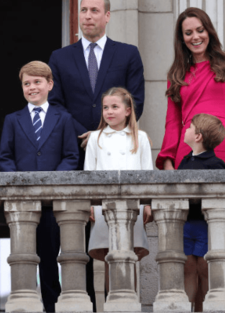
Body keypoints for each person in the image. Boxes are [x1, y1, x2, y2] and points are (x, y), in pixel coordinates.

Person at [48, 0, 145, 308]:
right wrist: (87, 135)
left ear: (107, 15)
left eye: (94, 10)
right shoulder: (60, 58)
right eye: (83, 10)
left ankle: (122, 301)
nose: (87, 16)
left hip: (117, 155)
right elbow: (56, 105)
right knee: (78, 239)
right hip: (76, 156)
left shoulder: (127, 53)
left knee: (121, 241)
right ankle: (83, 303)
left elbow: (136, 101)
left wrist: (103, 132)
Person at [156, 7, 225, 270]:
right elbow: (172, 122)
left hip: (223, 148)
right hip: (186, 153)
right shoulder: (176, 74)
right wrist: (168, 159)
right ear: (182, 38)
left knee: (222, 224)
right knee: (190, 231)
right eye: (188, 33)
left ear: (208, 31)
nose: (195, 37)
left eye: (200, 30)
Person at [0, 61, 78, 312]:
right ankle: (25, 305)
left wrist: (51, 182)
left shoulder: (63, 119)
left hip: (53, 203)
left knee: (51, 257)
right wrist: (21, 184)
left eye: (37, 82)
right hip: (23, 203)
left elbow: (71, 156)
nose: (32, 87)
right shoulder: (13, 119)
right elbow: (5, 157)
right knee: (23, 258)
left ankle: (52, 306)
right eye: (27, 83)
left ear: (49, 85)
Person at [84, 87, 152, 293]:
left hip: (133, 205)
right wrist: (89, 204)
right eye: (106, 107)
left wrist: (148, 203)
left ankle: (129, 302)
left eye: (115, 106)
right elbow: (89, 173)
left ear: (128, 110)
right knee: (108, 257)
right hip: (103, 206)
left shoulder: (140, 137)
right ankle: (111, 302)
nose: (109, 111)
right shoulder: (95, 138)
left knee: (129, 256)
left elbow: (147, 173)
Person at [178, 113, 225, 312]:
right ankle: (187, 308)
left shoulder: (216, 165)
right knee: (188, 268)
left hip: (205, 225)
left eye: (190, 127)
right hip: (186, 224)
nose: (186, 130)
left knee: (205, 270)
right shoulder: (185, 161)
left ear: (198, 136)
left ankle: (207, 308)